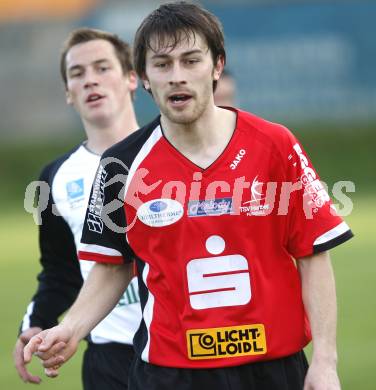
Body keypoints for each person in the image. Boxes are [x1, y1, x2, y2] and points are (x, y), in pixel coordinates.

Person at [24, 3, 353, 390]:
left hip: (272, 369)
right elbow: (112, 266)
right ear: (144, 77)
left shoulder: (275, 145)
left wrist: (326, 362)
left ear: (217, 66)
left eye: (190, 60)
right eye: (162, 65)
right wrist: (72, 328)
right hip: (170, 374)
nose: (177, 76)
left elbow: (313, 255)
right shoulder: (120, 165)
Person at [15, 28, 141, 389]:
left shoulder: (169, 152)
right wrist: (35, 323)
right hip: (108, 359)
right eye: (77, 73)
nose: (90, 81)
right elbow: (60, 268)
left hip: (176, 350)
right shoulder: (52, 178)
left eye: (102, 68)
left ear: (132, 78)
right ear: (68, 93)